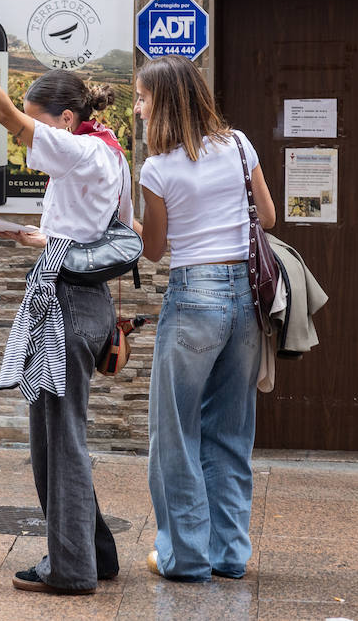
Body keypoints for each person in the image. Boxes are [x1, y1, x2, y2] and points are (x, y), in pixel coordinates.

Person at [0, 25, 129, 595]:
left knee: (58, 443)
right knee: (56, 438)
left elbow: (9, 119)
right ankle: (95, 553)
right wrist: (47, 237)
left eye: (41, 122)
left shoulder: (84, 149)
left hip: (68, 302)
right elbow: (115, 229)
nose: (30, 136)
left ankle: (70, 570)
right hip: (80, 298)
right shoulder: (108, 152)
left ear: (65, 119)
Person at [133, 55, 274, 583]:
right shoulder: (239, 145)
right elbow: (268, 216)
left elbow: (154, 250)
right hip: (245, 299)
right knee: (230, 432)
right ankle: (229, 554)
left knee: (174, 431)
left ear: (165, 102)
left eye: (143, 98)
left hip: (194, 296)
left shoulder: (158, 168)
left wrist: (129, 219)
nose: (138, 108)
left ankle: (184, 557)